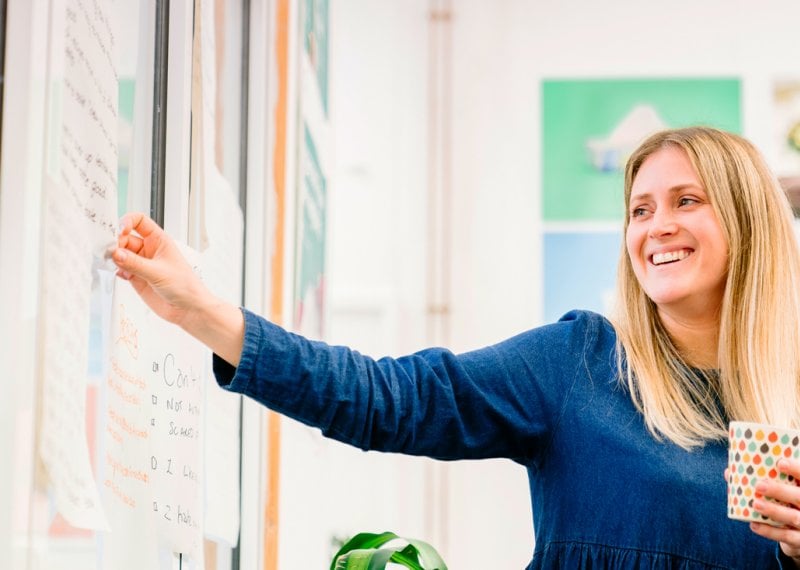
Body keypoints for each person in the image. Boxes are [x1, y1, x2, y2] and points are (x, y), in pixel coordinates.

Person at [112, 126, 800, 569]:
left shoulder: (787, 407)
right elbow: (392, 401)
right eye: (641, 209)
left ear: (748, 223)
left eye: (686, 201)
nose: (657, 227)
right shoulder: (580, 365)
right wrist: (202, 311)